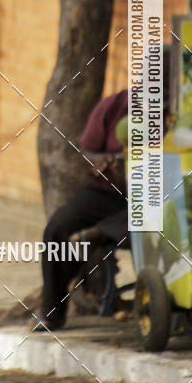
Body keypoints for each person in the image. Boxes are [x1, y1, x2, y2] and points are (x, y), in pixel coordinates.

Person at [35, 89, 129, 331]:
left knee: (147, 216)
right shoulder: (114, 105)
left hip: (153, 199)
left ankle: (99, 232)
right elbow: (85, 153)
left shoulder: (174, 113)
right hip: (106, 193)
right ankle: (52, 312)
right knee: (59, 226)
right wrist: (101, 162)